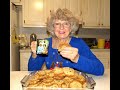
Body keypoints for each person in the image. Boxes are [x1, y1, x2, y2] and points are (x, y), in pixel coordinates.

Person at [28, 8, 104, 76]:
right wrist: (34, 55)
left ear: (71, 27)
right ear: (52, 27)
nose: (61, 27)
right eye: (57, 24)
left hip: (73, 84)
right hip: (52, 84)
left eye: (66, 24)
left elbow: (100, 69)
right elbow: (32, 71)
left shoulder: (79, 43)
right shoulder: (44, 43)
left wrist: (77, 59)